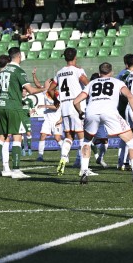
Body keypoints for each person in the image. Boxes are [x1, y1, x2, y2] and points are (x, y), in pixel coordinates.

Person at [72, 62, 133, 184]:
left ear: (99, 73)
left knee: (86, 142)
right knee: (132, 142)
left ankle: (84, 172)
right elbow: (130, 96)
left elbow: (76, 101)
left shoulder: (91, 83)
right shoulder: (117, 82)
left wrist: (80, 112)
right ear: (111, 72)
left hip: (91, 112)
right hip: (110, 113)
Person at [0, 47, 51, 179]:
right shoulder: (18, 70)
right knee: (17, 137)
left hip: (1, 105)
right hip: (14, 107)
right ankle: (15, 170)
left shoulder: (2, 72)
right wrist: (44, 88)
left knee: (2, 138)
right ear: (19, 56)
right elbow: (31, 90)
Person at [54, 47, 90, 175]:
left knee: (69, 136)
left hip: (64, 106)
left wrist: (56, 100)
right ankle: (84, 168)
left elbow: (51, 88)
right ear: (75, 57)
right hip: (76, 105)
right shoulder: (77, 71)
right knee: (82, 137)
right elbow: (88, 84)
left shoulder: (59, 72)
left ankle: (64, 157)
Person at [36, 80, 62, 162]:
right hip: (47, 119)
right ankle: (40, 156)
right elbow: (38, 85)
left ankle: (65, 154)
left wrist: (45, 106)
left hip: (56, 120)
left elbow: (56, 107)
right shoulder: (46, 92)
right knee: (42, 135)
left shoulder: (58, 94)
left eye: (47, 82)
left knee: (57, 138)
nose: (45, 83)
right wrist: (34, 75)